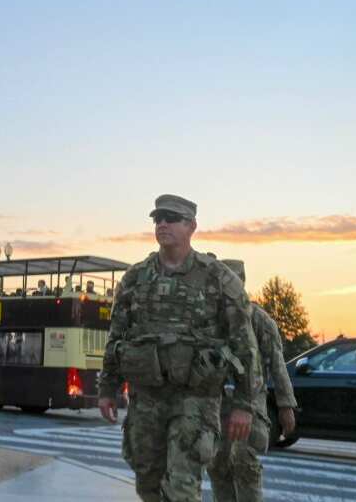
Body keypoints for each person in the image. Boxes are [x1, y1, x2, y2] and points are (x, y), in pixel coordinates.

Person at [98, 194, 259, 502]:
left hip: (195, 399)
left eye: (171, 218)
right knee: (147, 483)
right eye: (157, 218)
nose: (162, 224)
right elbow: (117, 336)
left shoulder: (218, 278)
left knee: (182, 489)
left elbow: (244, 344)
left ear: (192, 226)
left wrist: (244, 405)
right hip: (146, 398)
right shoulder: (135, 277)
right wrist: (108, 388)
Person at [208, 259, 297, 502]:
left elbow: (277, 365)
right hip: (216, 406)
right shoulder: (209, 319)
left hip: (249, 405)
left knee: (244, 464)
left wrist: (285, 405)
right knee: (217, 465)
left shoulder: (258, 319)